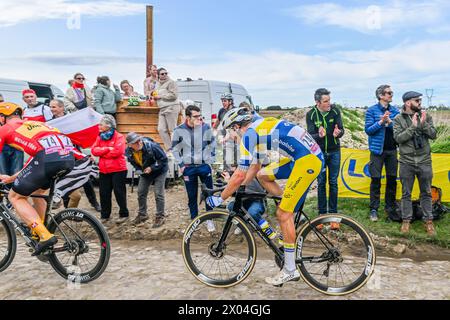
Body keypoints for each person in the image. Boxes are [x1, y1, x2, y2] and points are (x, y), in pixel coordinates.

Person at [206, 107, 324, 286]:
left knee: (283, 214)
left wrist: (220, 198)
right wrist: (239, 188)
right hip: (304, 157)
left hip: (307, 161)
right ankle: (288, 205)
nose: (233, 134)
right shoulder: (258, 129)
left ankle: (290, 270)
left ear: (238, 126)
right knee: (263, 175)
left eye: (232, 129)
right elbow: (254, 167)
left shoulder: (248, 135)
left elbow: (238, 174)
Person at [0, 102, 81, 255]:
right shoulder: (36, 124)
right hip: (68, 158)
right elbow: (36, 158)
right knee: (38, 193)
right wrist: (13, 178)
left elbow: (40, 159)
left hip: (47, 159)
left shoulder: (5, 128)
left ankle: (44, 235)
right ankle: (42, 229)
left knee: (15, 196)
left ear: (3, 118)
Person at [393, 92, 437, 236]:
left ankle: (428, 222)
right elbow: (398, 138)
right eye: (417, 100)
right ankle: (406, 221)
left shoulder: (426, 116)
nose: (420, 103)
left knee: (427, 193)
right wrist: (413, 127)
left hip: (424, 161)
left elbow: (433, 134)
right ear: (407, 103)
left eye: (420, 100)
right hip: (407, 162)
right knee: (406, 193)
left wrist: (423, 123)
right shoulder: (398, 119)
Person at [171, 104, 216, 221]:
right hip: (188, 168)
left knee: (209, 193)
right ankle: (194, 220)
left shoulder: (205, 127)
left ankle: (209, 219)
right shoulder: (178, 130)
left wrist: (211, 160)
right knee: (192, 196)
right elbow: (175, 150)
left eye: (200, 116)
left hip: (204, 166)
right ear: (187, 117)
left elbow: (212, 144)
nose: (199, 119)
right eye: (195, 116)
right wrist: (181, 165)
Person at [306, 89, 344, 223]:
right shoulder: (311, 114)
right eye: (326, 101)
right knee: (321, 183)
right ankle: (322, 215)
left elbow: (341, 130)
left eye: (329, 100)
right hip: (319, 153)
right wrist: (319, 135)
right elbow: (310, 136)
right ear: (317, 102)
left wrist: (338, 134)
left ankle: (333, 215)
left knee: (333, 183)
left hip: (334, 152)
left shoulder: (335, 111)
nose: (329, 103)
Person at [365, 85, 400, 222]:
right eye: (389, 93)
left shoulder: (395, 111)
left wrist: (389, 122)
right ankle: (374, 209)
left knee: (392, 180)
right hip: (377, 151)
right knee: (375, 180)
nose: (391, 95)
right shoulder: (371, 111)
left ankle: (390, 209)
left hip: (392, 150)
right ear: (381, 96)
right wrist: (380, 122)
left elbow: (399, 129)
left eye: (392, 92)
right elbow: (368, 130)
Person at [91, 115, 129, 224]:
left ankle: (124, 214)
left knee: (119, 192)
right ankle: (105, 215)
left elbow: (118, 152)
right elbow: (94, 150)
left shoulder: (119, 137)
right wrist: (107, 149)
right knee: (104, 193)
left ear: (108, 125)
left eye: (101, 124)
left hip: (118, 170)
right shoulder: (100, 137)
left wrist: (102, 153)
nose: (99, 126)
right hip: (104, 170)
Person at [126, 132, 168, 227]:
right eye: (135, 142)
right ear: (130, 145)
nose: (139, 143)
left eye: (139, 140)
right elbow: (133, 162)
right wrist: (137, 169)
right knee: (141, 192)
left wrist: (152, 168)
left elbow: (164, 160)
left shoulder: (152, 147)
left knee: (158, 193)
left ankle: (160, 216)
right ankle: (142, 215)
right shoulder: (129, 152)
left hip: (159, 171)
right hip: (145, 172)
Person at [153, 68, 181, 150]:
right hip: (162, 108)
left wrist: (160, 96)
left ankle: (176, 149)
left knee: (172, 129)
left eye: (166, 73)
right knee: (161, 129)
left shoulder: (171, 82)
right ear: (158, 75)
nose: (165, 75)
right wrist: (154, 97)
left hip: (171, 106)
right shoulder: (157, 84)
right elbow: (156, 94)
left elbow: (174, 95)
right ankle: (169, 149)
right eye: (162, 74)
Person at [0, 94, 24, 179]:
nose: (1, 103)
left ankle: (14, 189)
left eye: (2, 101)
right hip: (2, 147)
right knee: (3, 172)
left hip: (16, 145)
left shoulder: (10, 110)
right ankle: (5, 190)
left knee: (17, 172)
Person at [215, 93, 238, 170]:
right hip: (226, 135)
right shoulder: (221, 111)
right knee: (226, 155)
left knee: (236, 157)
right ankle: (227, 173)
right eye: (222, 101)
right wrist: (213, 129)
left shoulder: (235, 111)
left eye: (225, 101)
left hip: (235, 136)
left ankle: (236, 172)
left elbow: (235, 127)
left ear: (230, 101)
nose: (223, 103)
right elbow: (218, 121)